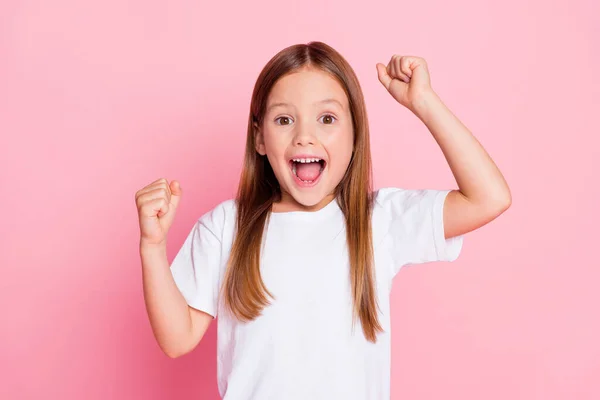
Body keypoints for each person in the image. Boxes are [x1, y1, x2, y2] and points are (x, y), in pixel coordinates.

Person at [135, 41, 511, 400]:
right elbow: (176, 338)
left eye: (327, 118)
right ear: (259, 139)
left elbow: (489, 198)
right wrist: (152, 246)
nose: (304, 136)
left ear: (354, 136)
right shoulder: (226, 227)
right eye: (284, 119)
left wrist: (424, 102)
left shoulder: (378, 221)